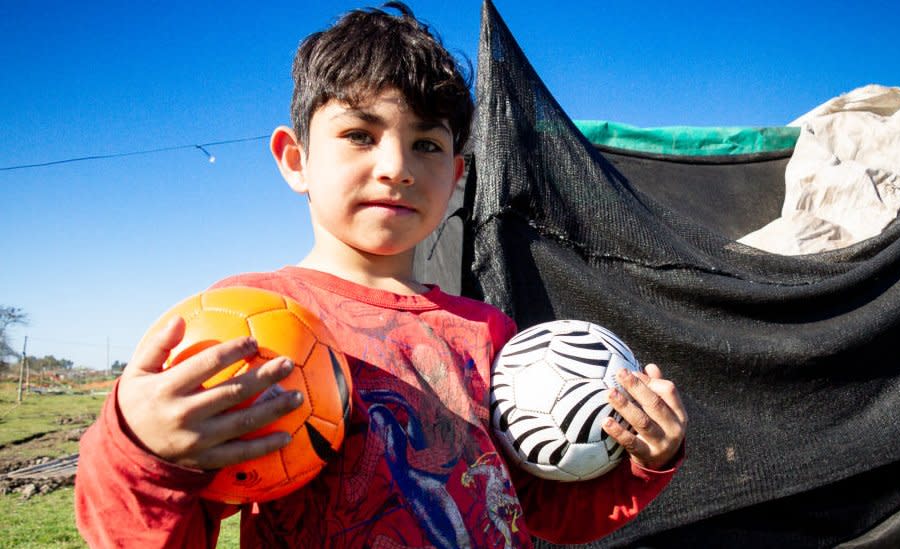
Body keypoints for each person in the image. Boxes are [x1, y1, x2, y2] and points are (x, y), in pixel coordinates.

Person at [74, 3, 687, 547]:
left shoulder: (490, 333)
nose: (396, 167)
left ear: (457, 175)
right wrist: (143, 452)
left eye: (427, 145)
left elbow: (540, 511)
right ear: (296, 160)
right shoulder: (239, 320)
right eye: (359, 135)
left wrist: (640, 459)